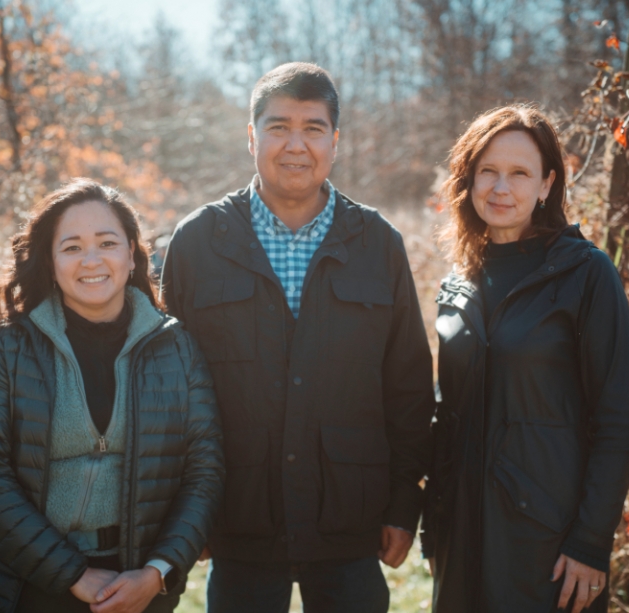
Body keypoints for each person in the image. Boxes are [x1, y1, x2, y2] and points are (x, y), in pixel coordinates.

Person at [161, 62, 435, 613]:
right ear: (251, 136)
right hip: (237, 521)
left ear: (335, 142)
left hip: (350, 523)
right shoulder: (197, 242)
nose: (295, 145)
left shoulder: (377, 243)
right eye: (278, 126)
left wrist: (404, 505)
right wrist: (190, 516)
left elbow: (407, 386)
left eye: (313, 128)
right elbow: (170, 392)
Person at [0, 179, 224, 613]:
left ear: (132, 254)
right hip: (23, 586)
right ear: (50, 261)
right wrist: (72, 573)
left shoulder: (177, 349)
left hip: (135, 587)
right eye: (72, 247)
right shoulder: (5, 349)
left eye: (107, 243)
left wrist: (156, 572)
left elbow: (204, 472)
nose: (91, 260)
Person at [422, 105, 629, 613]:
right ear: (469, 181)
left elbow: (617, 423)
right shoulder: (457, 284)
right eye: (488, 171)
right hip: (461, 539)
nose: (502, 187)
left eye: (520, 173)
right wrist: (435, 529)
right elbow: (446, 417)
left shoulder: (587, 275)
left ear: (547, 185)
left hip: (547, 544)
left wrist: (590, 544)